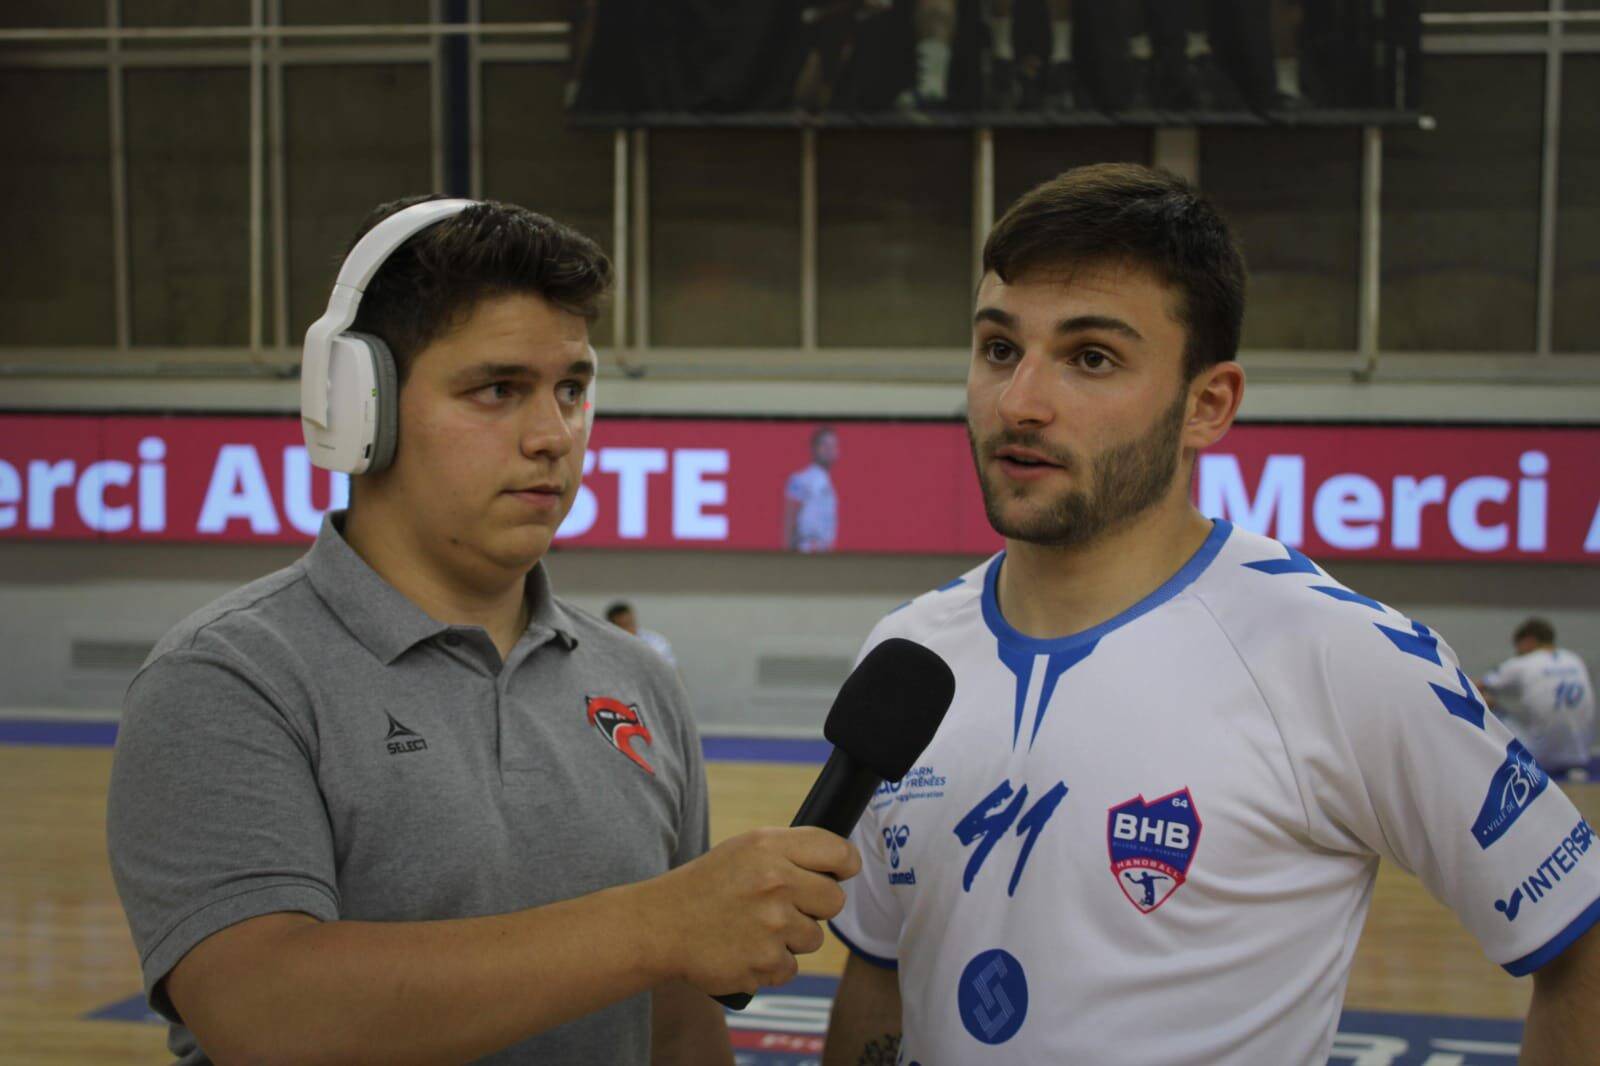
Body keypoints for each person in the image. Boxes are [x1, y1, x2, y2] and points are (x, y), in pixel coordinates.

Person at [821, 164, 1600, 1065]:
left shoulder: (1337, 654)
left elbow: (1581, 946)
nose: (1020, 402)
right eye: (1000, 348)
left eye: (1090, 358)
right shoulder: (906, 655)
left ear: (1208, 404)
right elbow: (879, 974)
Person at [106, 195, 860, 1066]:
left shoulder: (638, 682)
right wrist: (656, 923)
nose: (554, 436)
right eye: (498, 390)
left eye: (571, 389)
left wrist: (673, 940)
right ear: (361, 406)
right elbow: (266, 1012)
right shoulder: (225, 679)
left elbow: (679, 1023)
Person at [1479, 617, 1596, 779]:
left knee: (1484, 701)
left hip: (1540, 757)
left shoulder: (1522, 663)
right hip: (1581, 756)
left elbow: (1474, 686)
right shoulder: (1575, 659)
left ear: (1528, 641)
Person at [784, 425, 840, 553]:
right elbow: (790, 517)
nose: (829, 450)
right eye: (824, 445)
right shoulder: (802, 478)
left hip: (824, 549)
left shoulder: (828, 483)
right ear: (814, 448)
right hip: (807, 548)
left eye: (833, 446)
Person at [607, 600, 680, 669]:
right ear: (612, 626)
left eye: (629, 623)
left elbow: (670, 668)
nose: (628, 630)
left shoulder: (655, 641)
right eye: (622, 626)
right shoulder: (608, 646)